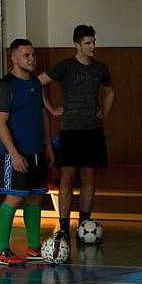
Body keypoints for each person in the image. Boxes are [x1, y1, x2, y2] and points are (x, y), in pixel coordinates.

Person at [39, 25, 115, 247]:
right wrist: (52, 108)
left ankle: (84, 223)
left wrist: (105, 112)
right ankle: (63, 226)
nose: (92, 46)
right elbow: (38, 82)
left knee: (89, 175)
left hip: (92, 130)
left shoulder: (100, 69)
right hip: (70, 130)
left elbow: (110, 91)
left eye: (93, 42)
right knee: (67, 176)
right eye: (88, 43)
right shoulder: (65, 67)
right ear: (77, 45)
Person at [0, 39, 55, 265]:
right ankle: (2, 250)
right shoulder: (6, 86)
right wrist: (14, 154)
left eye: (33, 55)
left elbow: (43, 117)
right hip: (15, 153)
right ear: (14, 58)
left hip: (36, 151)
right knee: (14, 197)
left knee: (36, 197)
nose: (31, 59)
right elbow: (0, 123)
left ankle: (34, 248)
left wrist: (47, 146)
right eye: (26, 55)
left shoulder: (36, 84)